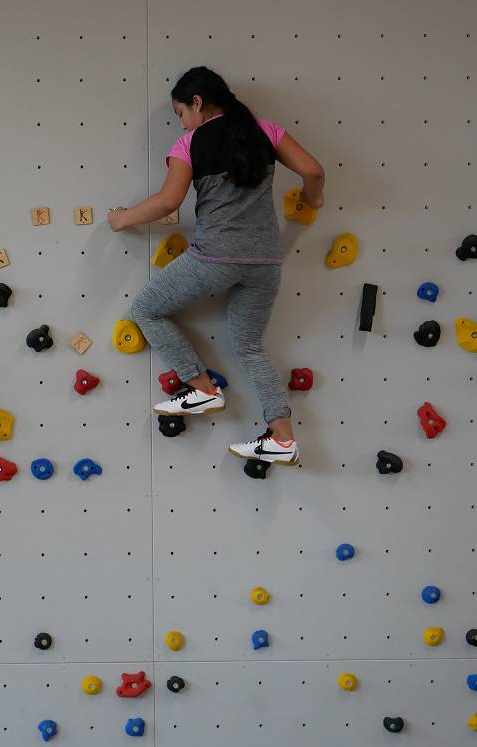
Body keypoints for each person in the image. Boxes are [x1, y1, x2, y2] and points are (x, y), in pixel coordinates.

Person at [108, 66, 325, 467]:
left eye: (180, 113)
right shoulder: (264, 130)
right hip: (266, 261)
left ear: (197, 102)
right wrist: (313, 199)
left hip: (216, 257)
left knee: (146, 310)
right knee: (250, 347)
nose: (181, 122)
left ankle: (202, 387)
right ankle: (283, 437)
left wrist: (122, 219)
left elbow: (168, 201)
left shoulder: (189, 142)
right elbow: (313, 171)